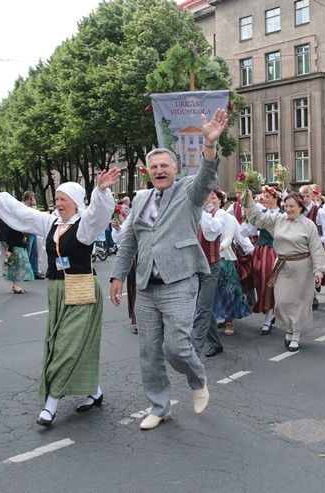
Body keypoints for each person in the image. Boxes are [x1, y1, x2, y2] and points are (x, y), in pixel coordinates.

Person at [110, 109, 228, 430]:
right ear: (147, 172)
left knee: (176, 346)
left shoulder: (189, 191)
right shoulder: (139, 200)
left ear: (175, 169)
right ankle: (159, 406)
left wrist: (209, 145)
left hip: (179, 280)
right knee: (149, 352)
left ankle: (197, 377)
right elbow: (130, 241)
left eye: (165, 165)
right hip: (147, 283)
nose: (159, 170)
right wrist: (118, 276)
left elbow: (207, 178)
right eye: (154, 167)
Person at [0, 167, 119, 427]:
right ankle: (94, 391)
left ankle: (51, 403)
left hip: (81, 287)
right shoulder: (51, 223)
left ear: (76, 203)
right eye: (58, 198)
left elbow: (100, 212)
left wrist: (101, 189)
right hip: (57, 288)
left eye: (64, 199)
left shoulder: (85, 224)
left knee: (66, 344)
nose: (59, 202)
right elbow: (22, 213)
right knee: (66, 342)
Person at [246, 191, 325, 351]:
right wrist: (249, 201)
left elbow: (316, 248)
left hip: (302, 268)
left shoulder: (308, 225)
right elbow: (258, 219)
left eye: (292, 206)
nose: (288, 209)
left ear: (300, 207)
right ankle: (290, 328)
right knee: (282, 302)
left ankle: (295, 334)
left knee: (298, 303)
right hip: (282, 266)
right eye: (286, 206)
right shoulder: (278, 219)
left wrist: (319, 270)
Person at [242, 185, 282, 335]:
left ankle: (268, 317)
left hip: (274, 252)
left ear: (276, 197)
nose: (264, 199)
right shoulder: (262, 213)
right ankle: (270, 311)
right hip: (260, 251)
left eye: (267, 196)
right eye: (263, 196)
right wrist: (246, 220)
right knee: (260, 283)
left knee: (269, 283)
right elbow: (249, 231)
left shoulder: (281, 215)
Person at [212, 189, 252, 336]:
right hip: (206, 260)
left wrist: (252, 251)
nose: (210, 201)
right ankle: (216, 316)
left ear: (220, 200)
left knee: (228, 291)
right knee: (210, 292)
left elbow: (232, 238)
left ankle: (229, 321)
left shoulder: (228, 218)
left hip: (224, 259)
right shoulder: (203, 216)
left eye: (214, 198)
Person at [192, 190, 227, 358]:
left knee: (203, 308)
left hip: (211, 265)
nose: (210, 198)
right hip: (194, 265)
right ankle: (215, 343)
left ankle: (193, 350)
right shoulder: (195, 211)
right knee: (202, 308)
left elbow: (211, 231)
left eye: (212, 196)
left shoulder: (220, 214)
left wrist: (199, 210)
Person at [299, 184, 325, 308]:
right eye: (302, 196)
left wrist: (323, 240)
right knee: (305, 271)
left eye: (307, 196)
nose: (305, 198)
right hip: (301, 246)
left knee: (313, 270)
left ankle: (313, 296)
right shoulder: (298, 210)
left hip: (315, 246)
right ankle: (311, 295)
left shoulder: (318, 211)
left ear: (312, 196)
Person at [0, 213, 34, 294]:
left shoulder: (15, 226)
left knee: (16, 267)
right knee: (18, 267)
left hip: (18, 248)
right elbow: (11, 239)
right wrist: (9, 250)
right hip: (17, 249)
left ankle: (16, 285)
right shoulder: (15, 227)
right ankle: (16, 286)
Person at [23, 191, 44, 279]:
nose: (34, 199)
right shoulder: (24, 207)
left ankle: (35, 271)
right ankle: (26, 272)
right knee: (28, 252)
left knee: (35, 252)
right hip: (28, 231)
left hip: (33, 231)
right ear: (30, 198)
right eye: (33, 197)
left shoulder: (32, 208)